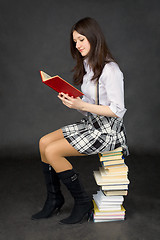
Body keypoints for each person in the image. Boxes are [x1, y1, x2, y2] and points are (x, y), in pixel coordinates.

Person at [31, 17, 128, 224]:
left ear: (94, 38)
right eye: (75, 41)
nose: (78, 45)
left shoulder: (111, 70)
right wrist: (73, 102)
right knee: (43, 142)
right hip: (92, 124)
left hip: (108, 132)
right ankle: (54, 199)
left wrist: (82, 106)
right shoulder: (88, 65)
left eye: (82, 39)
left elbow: (117, 111)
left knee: (52, 151)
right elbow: (91, 106)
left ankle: (82, 201)